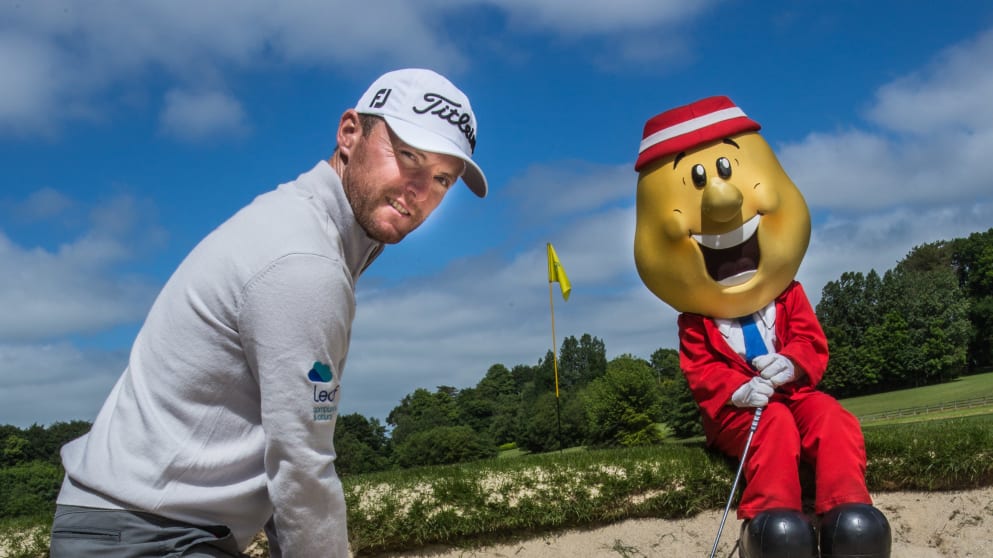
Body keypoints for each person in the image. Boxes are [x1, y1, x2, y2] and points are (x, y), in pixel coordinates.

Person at [50, 68, 488, 558]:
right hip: (147, 535)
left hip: (139, 528)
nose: (419, 189)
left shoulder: (308, 231)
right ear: (349, 134)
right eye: (407, 155)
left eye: (442, 178)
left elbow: (290, 462)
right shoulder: (305, 263)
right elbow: (301, 466)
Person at [632, 96, 890, 558]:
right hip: (741, 413)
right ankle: (773, 521)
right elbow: (702, 373)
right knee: (772, 427)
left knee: (832, 418)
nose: (721, 197)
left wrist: (791, 364)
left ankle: (846, 511)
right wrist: (738, 390)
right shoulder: (695, 322)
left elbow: (812, 343)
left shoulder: (789, 294)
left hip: (795, 392)